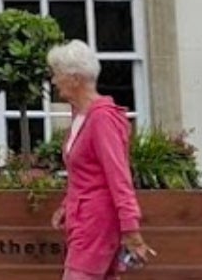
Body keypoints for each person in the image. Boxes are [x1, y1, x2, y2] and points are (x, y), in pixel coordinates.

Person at [47, 40, 155, 279]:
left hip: (97, 223)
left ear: (75, 78)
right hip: (84, 220)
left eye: (57, 75)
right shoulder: (80, 116)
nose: (54, 81)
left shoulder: (101, 119)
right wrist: (67, 205)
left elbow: (119, 177)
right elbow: (84, 172)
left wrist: (131, 228)